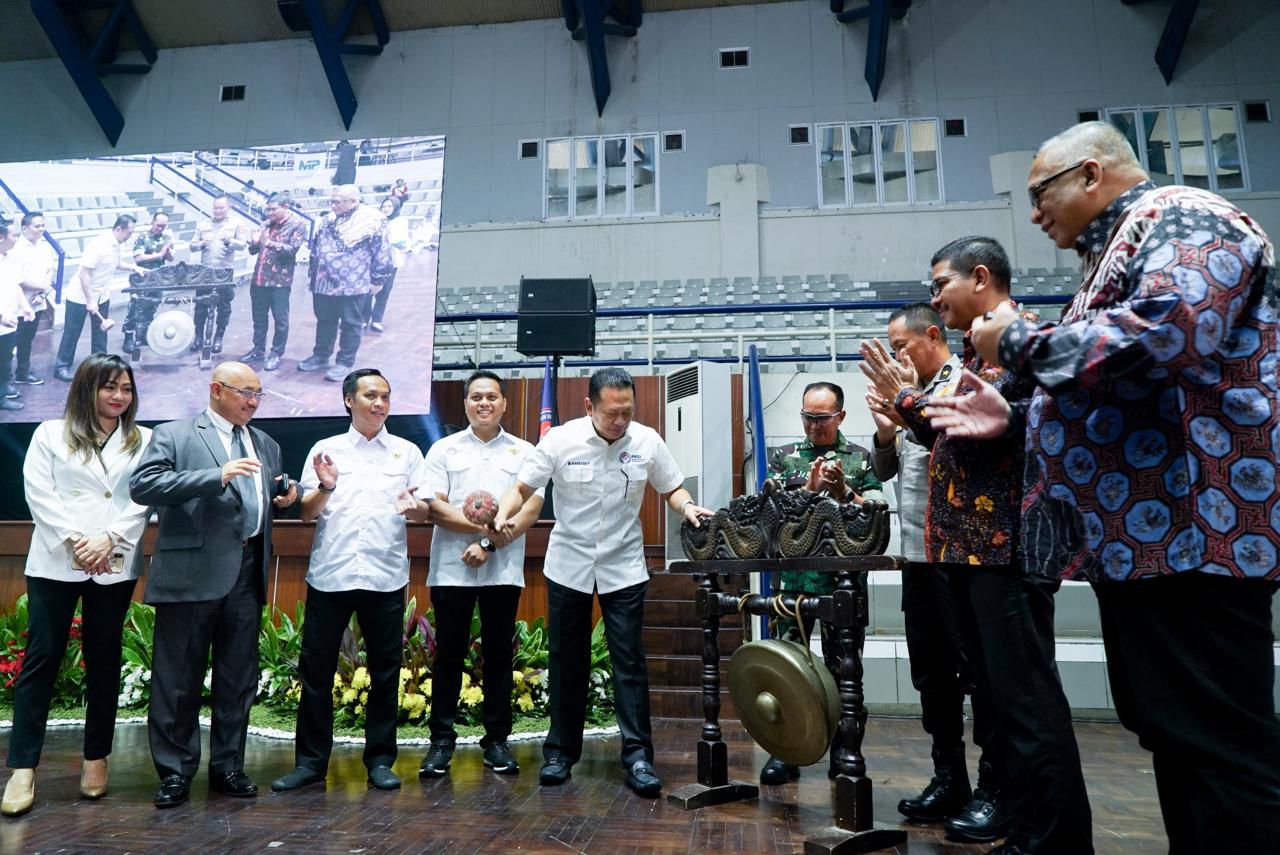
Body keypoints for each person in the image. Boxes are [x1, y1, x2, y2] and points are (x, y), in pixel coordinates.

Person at [940, 121, 1280, 854]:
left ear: (1091, 174)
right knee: (1177, 737)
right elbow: (1107, 381)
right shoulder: (1120, 246)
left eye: (1041, 194)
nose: (1033, 214)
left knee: (1222, 749)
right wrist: (1014, 413)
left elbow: (1171, 330)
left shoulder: (1185, 216)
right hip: (1144, 546)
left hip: (1198, 533)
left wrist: (1019, 346)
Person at [861, 236, 1092, 854]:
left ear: (980, 278)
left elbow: (993, 429)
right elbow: (961, 435)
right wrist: (907, 409)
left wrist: (909, 401)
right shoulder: (980, 349)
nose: (934, 296)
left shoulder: (1020, 340)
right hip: (969, 556)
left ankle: (1050, 839)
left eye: (941, 284)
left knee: (1026, 707)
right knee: (1004, 702)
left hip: (1007, 555)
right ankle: (1026, 827)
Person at [494, 367, 710, 797]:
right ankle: (559, 753)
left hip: (623, 565)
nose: (620, 421)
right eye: (612, 413)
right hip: (568, 565)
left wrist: (688, 508)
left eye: (627, 412)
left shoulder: (647, 440)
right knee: (566, 660)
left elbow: (672, 489)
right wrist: (503, 513)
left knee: (628, 662)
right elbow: (521, 487)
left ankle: (638, 756)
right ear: (590, 406)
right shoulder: (559, 440)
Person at [129, 361, 298, 809]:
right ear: (216, 389)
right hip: (191, 574)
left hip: (247, 569)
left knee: (236, 678)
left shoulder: (266, 443)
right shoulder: (175, 434)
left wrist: (286, 494)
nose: (253, 401)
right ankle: (174, 771)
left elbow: (263, 500)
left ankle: (228, 766)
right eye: (245, 391)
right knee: (178, 679)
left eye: (259, 394)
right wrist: (215, 476)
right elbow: (144, 485)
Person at [1, 354, 151, 816]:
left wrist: (109, 538)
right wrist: (77, 540)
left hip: (114, 557)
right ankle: (23, 768)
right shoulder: (50, 432)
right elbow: (38, 494)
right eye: (109, 387)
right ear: (86, 389)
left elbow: (143, 496)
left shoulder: (144, 438)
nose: (118, 397)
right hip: (56, 559)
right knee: (42, 658)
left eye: (125, 389)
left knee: (104, 657)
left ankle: (96, 758)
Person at [866, 303, 990, 828]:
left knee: (977, 673)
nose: (896, 356)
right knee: (931, 675)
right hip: (916, 552)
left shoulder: (961, 384)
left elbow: (955, 447)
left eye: (902, 346)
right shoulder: (905, 393)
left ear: (932, 335)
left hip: (960, 555)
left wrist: (908, 411)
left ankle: (993, 786)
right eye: (891, 348)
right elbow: (884, 470)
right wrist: (885, 434)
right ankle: (949, 778)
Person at [271, 369, 423, 793]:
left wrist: (416, 507)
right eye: (370, 395)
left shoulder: (408, 452)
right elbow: (306, 512)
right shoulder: (326, 450)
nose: (379, 403)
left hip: (385, 575)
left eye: (386, 396)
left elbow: (423, 509)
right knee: (316, 673)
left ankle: (379, 761)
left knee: (386, 673)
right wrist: (325, 486)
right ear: (348, 400)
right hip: (332, 573)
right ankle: (310, 764)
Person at [417, 370, 544, 779]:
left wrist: (488, 545)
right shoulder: (443, 449)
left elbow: (530, 509)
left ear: (504, 403)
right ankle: (441, 742)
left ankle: (497, 741)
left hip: (502, 569)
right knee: (448, 656)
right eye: (475, 397)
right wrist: (483, 528)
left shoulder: (525, 451)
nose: (483, 403)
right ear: (466, 403)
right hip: (451, 569)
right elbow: (435, 507)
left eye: (491, 396)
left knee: (498, 657)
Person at [759, 380, 884, 785]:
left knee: (845, 672)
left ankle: (845, 751)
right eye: (808, 418)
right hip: (792, 581)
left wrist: (845, 490)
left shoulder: (860, 459)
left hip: (842, 585)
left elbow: (876, 518)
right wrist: (810, 490)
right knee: (787, 670)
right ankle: (785, 751)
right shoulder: (783, 458)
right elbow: (770, 516)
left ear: (841, 417)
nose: (814, 426)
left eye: (822, 419)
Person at [298, 185, 393, 382]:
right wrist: (312, 275)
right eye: (331, 201)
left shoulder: (374, 220)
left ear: (354, 201)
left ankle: (344, 362)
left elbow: (382, 253)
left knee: (351, 323)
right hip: (323, 282)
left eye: (337, 202)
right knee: (324, 321)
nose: (332, 205)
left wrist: (378, 280)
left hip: (353, 283)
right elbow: (316, 248)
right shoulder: (327, 219)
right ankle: (321, 356)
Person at [54, 214, 139, 382]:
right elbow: (84, 273)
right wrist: (90, 300)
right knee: (72, 332)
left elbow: (117, 263)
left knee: (101, 333)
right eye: (129, 232)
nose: (130, 236)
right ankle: (61, 366)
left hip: (102, 295)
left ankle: (100, 365)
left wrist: (134, 268)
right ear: (118, 229)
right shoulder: (99, 244)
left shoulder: (116, 245)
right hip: (80, 296)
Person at [242, 194, 307, 371]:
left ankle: (276, 353)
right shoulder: (266, 223)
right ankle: (258, 349)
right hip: (259, 279)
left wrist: (268, 243)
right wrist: (255, 243)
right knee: (259, 318)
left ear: (285, 207)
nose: (269, 212)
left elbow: (291, 250)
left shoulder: (298, 225)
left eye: (273, 209)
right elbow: (254, 250)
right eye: (268, 209)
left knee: (280, 319)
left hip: (280, 281)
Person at [189, 196, 247, 355]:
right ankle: (199, 337)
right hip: (205, 272)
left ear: (228, 208)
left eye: (221, 208)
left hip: (224, 272)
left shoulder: (236, 224)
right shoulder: (203, 224)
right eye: (215, 208)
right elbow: (192, 246)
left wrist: (230, 242)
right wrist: (201, 244)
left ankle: (218, 338)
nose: (218, 210)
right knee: (200, 307)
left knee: (224, 307)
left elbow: (243, 245)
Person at [10, 212, 58, 387]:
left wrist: (42, 293)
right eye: (37, 226)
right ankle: (7, 377)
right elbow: (19, 279)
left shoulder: (45, 247)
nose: (41, 229)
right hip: (18, 303)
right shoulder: (15, 249)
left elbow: (49, 270)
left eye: (43, 225)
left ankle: (22, 372)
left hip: (37, 301)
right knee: (13, 340)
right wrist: (43, 288)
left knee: (27, 338)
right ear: (24, 228)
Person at [0, 220, 33, 411]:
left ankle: (1, 398)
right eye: (14, 235)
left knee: (4, 364)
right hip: (2, 321)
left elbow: (16, 287)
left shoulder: (11, 261)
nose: (17, 238)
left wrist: (25, 306)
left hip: (8, 326)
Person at [367, 196, 408, 333]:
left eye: (389, 206)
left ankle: (377, 320)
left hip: (391, 262)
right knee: (368, 291)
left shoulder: (400, 222)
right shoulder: (376, 220)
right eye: (384, 206)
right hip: (373, 261)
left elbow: (401, 241)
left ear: (395, 207)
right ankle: (363, 319)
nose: (386, 209)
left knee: (384, 291)